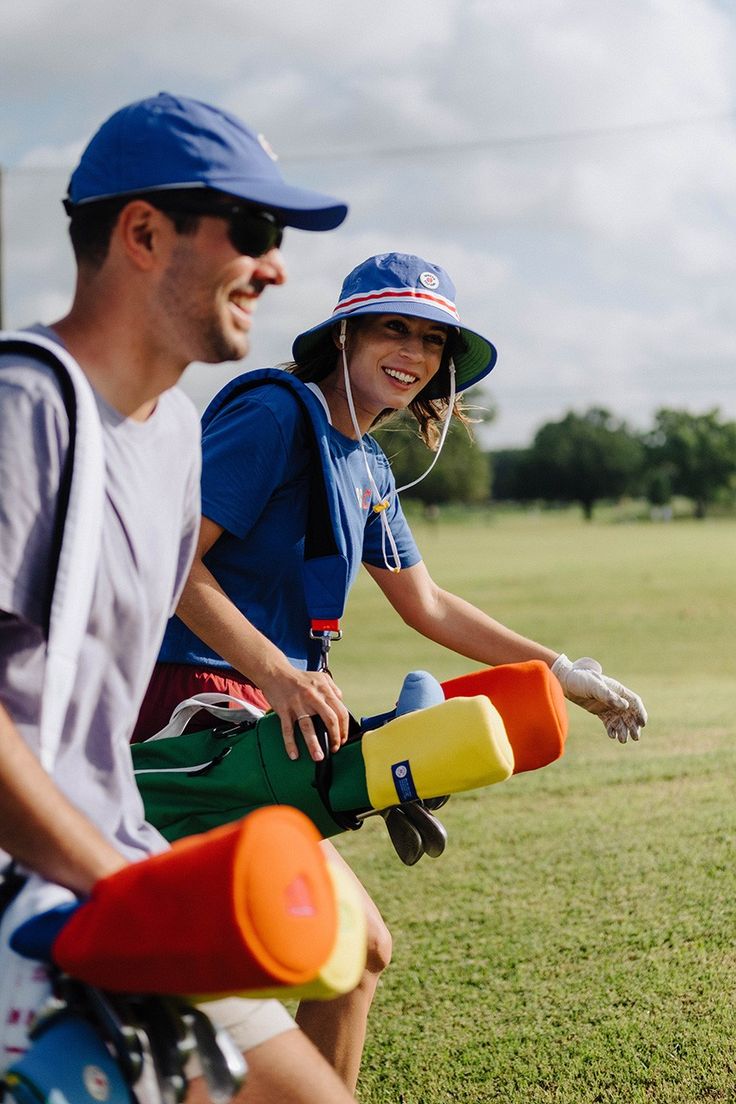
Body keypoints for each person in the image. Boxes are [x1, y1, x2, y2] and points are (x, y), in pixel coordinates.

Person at [137, 251, 648, 1092]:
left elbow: (430, 605)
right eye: (393, 328)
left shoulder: (370, 466)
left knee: (357, 952)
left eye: (432, 340)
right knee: (234, 970)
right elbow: (169, 562)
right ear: (344, 334)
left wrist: (564, 673)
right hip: (182, 716)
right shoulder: (273, 417)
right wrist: (276, 671)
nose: (413, 353)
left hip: (267, 720)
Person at [0, 90, 361, 1104]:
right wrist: (119, 898)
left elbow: (169, 598)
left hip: (112, 869)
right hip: (40, 902)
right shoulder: (24, 412)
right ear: (144, 234)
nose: (277, 265)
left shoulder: (170, 434)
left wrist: (277, 676)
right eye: (251, 229)